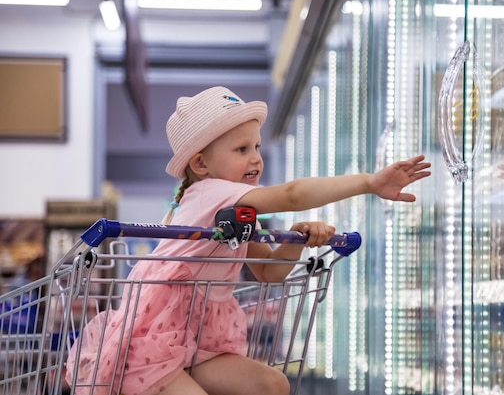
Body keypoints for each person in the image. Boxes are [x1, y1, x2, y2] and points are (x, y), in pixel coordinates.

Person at [65, 86, 432, 395]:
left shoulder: (235, 214)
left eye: (256, 147)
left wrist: (297, 240)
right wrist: (367, 183)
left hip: (198, 339)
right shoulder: (211, 192)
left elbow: (267, 271)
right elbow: (291, 194)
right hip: (155, 341)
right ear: (201, 164)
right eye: (241, 150)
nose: (256, 159)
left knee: (273, 385)